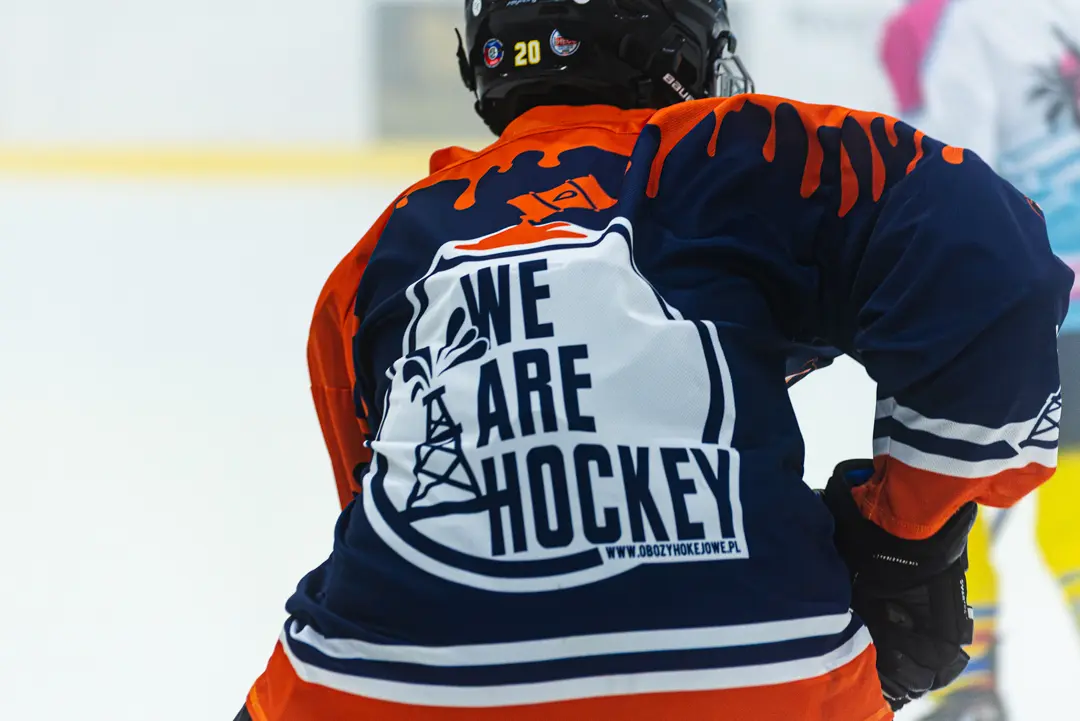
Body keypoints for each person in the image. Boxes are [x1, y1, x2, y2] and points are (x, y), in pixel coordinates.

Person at [238, 1, 1073, 719]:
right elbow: (988, 260)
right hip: (762, 672)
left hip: (374, 689)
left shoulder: (381, 254)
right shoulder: (734, 152)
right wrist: (905, 539)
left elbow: (382, 505)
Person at [880, 1, 1080, 718]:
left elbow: (956, 174)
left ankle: (969, 682)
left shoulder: (948, 24)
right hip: (1052, 296)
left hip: (1024, 298)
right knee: (1067, 489)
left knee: (955, 484)